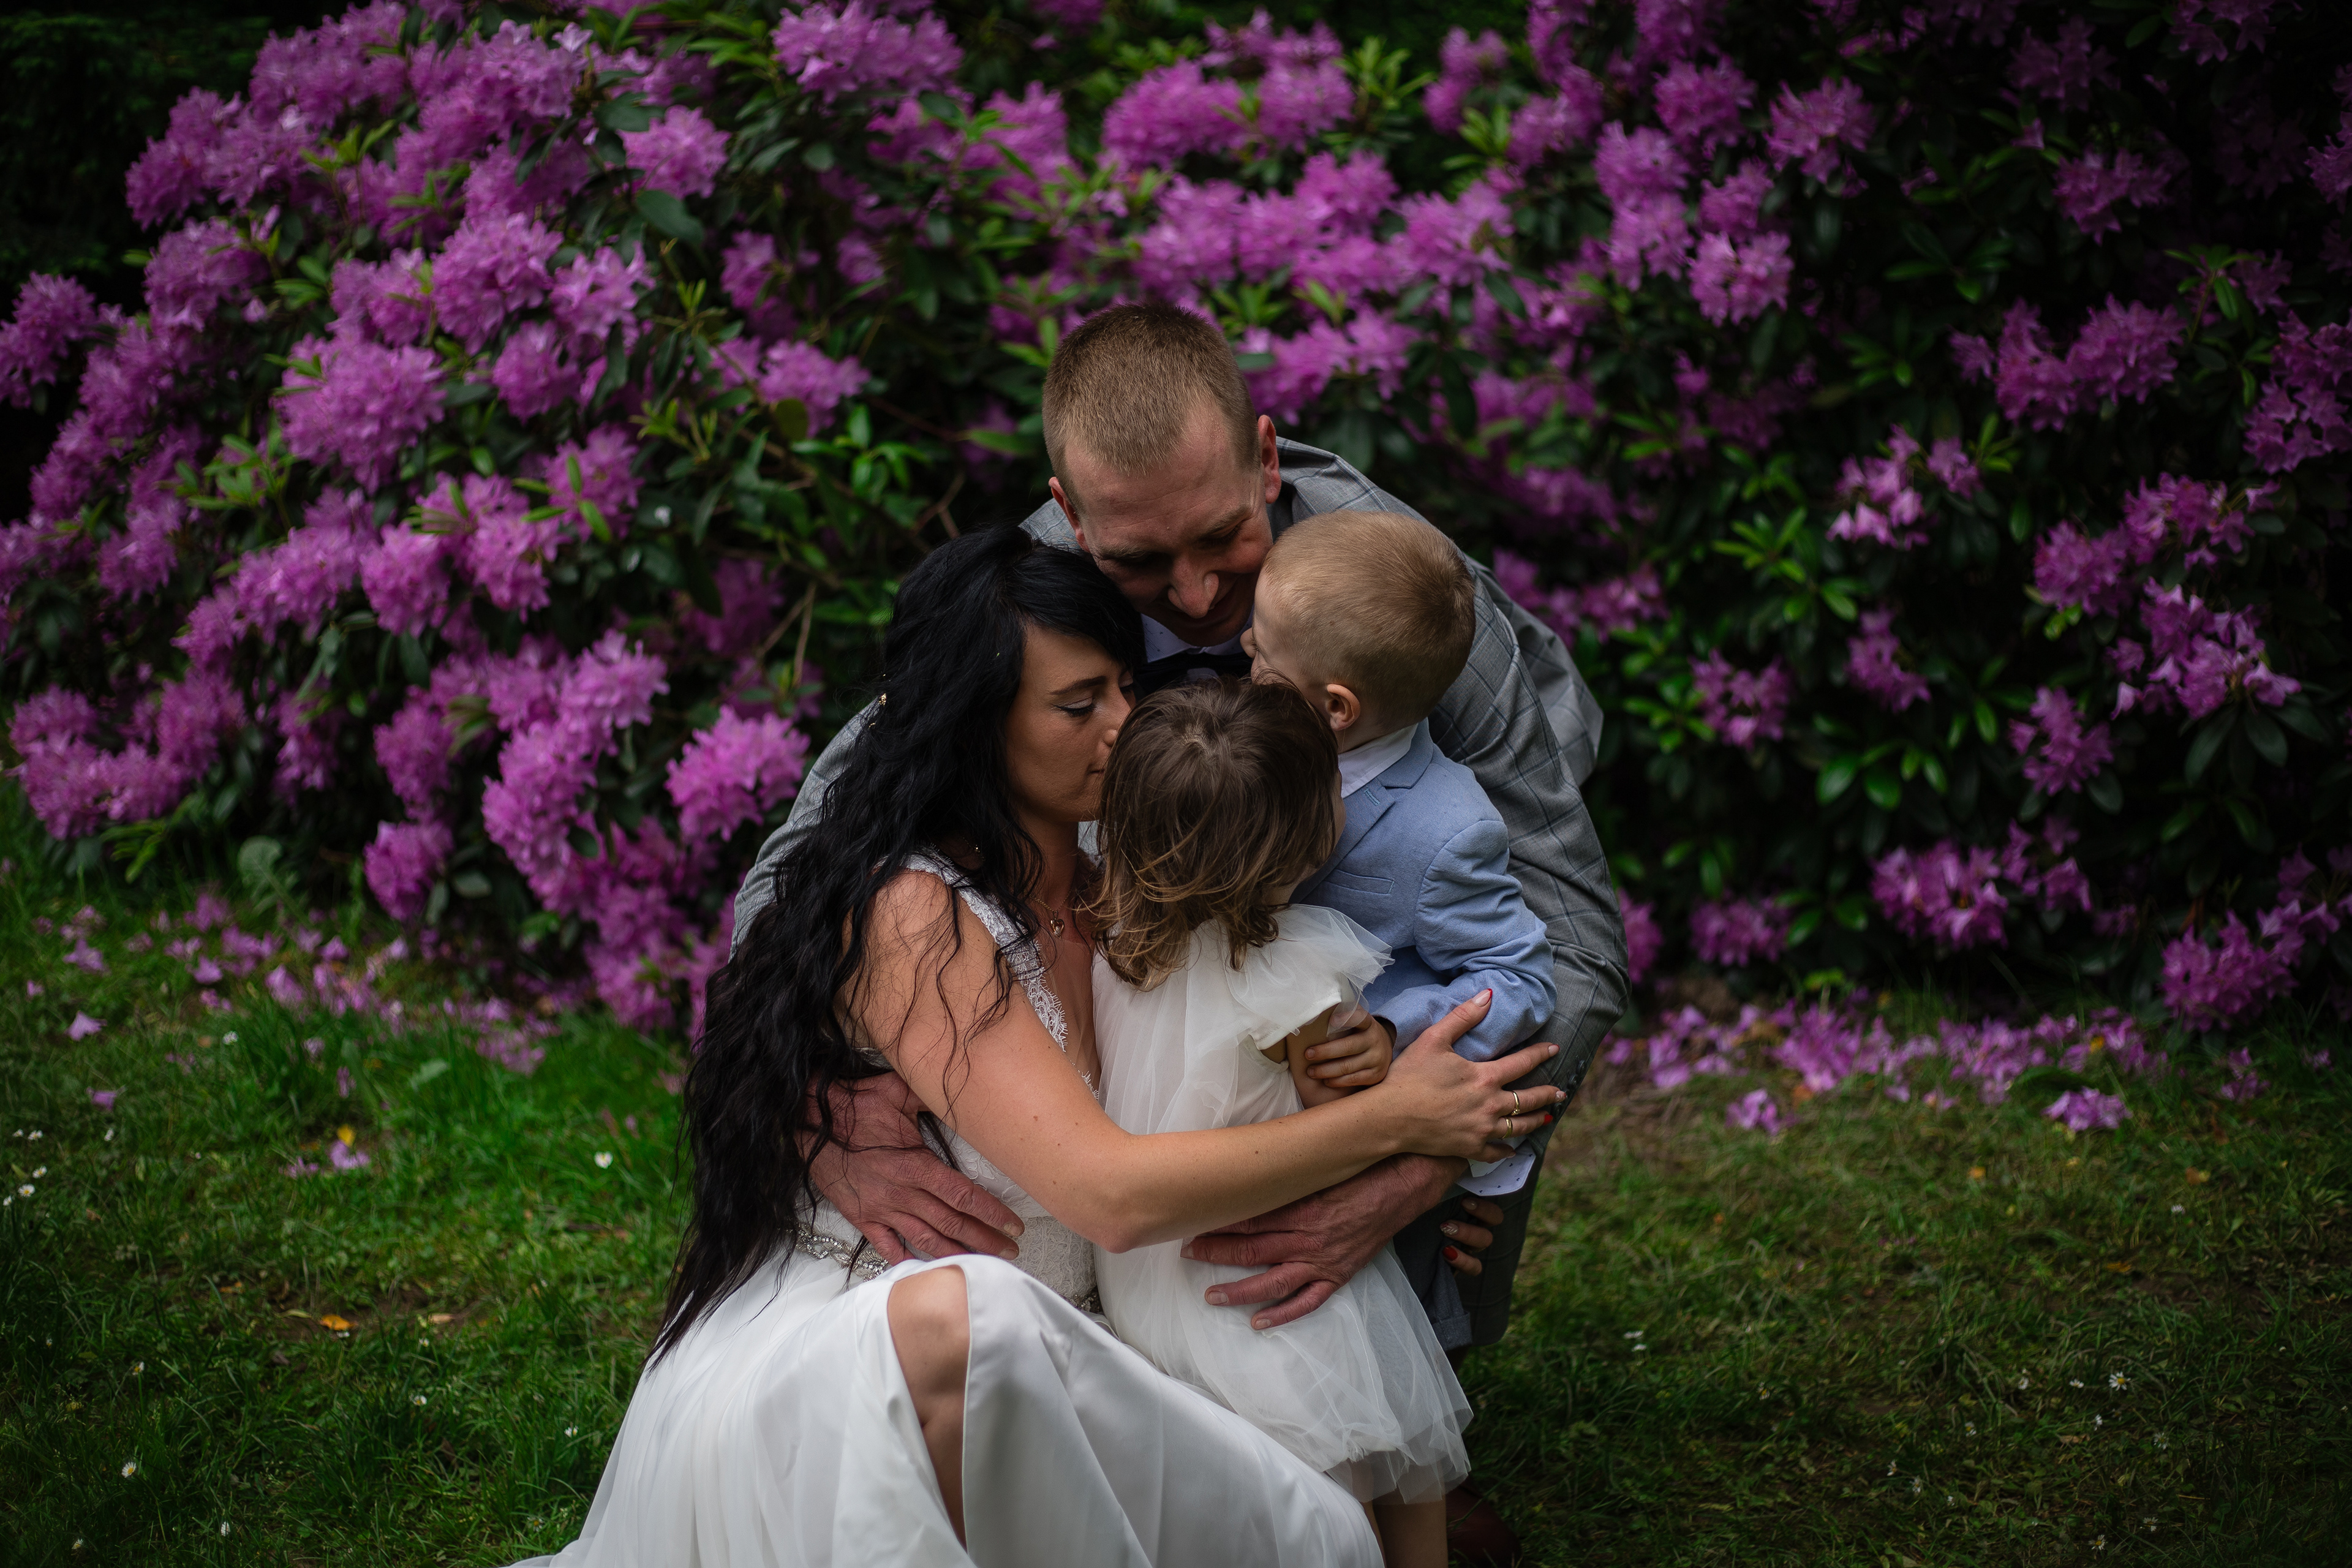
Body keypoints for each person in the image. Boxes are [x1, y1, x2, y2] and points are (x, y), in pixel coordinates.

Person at [733, 301, 1627, 1554]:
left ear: (1266, 458)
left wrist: (1436, 1152)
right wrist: (816, 1115)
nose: (1201, 597)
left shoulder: (1403, 588)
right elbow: (793, 877)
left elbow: (1572, 934)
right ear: (1070, 514)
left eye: (1225, 541)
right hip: (1136, 988)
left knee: (1450, 1042)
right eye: (1143, 565)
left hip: (1365, 970)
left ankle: (1405, 1422)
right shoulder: (1026, 593)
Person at [519, 526, 1567, 1568]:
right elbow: (1105, 1194)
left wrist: (1393, 1117)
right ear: (976, 727)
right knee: (974, 1321)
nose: (1124, 725)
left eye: (1126, 687)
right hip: (857, 1364)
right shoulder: (914, 915)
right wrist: (1400, 1119)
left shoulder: (1145, 890)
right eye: (1078, 705)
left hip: (1095, 1360)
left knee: (1326, 1533)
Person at [1090, 679, 1484, 1567]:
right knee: (1367, 1470)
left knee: (1264, 1505)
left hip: (1157, 1284)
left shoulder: (1107, 948)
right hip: (1274, 1287)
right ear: (1314, 838)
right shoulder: (1297, 977)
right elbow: (1342, 1129)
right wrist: (1386, 1071)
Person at [1241, 507, 1559, 1348]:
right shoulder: (1251, 737)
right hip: (1248, 1079)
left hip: (1361, 1113)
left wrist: (1394, 1031)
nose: (1243, 656)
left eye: (1262, 656)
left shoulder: (1446, 829)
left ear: (1336, 708)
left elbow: (1520, 975)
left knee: (1375, 1320)